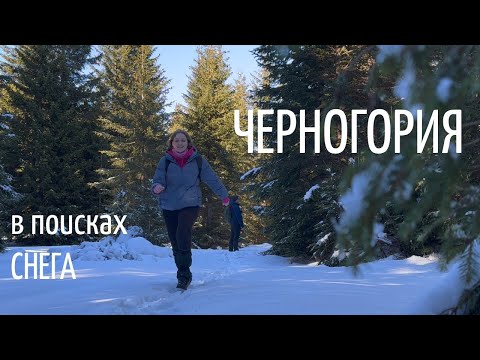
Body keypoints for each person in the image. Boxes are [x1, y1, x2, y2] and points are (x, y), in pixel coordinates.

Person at [151, 129, 229, 290]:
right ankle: (183, 272)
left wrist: (224, 196)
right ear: (171, 143)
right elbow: (157, 180)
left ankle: (184, 276)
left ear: (188, 143)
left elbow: (212, 179)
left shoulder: (198, 160)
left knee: (182, 233)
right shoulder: (164, 161)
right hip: (169, 205)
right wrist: (157, 187)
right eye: (176, 140)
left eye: (183, 140)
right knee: (175, 241)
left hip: (190, 204)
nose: (180, 143)